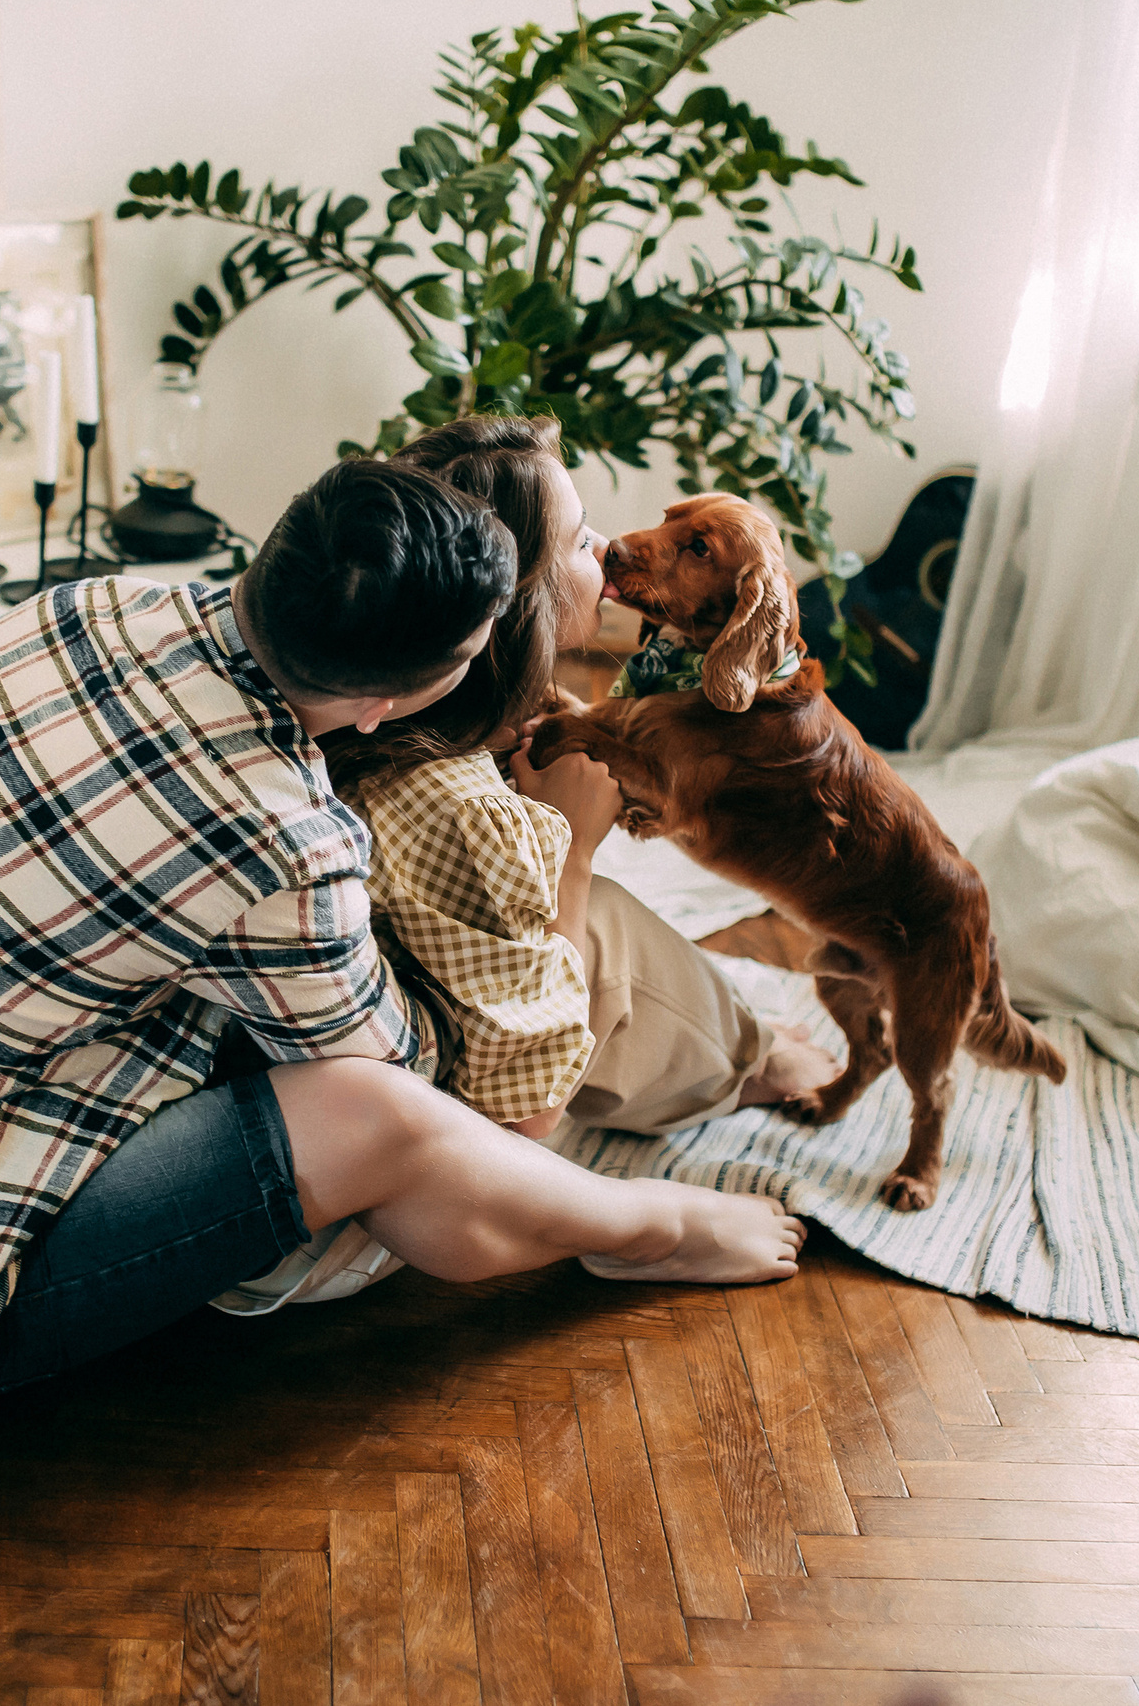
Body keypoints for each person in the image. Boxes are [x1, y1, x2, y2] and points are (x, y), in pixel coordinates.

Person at [0, 456, 804, 1409]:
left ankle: (714, 1082)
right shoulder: (282, 836)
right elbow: (422, 1106)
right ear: (398, 701)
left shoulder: (78, 607)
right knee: (371, 1110)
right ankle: (665, 1223)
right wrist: (569, 858)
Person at [212, 420, 838, 1313]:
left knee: (570, 928)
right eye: (583, 539)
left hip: (289, 1107)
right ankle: (746, 1060)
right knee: (607, 930)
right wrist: (571, 847)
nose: (610, 546)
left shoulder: (331, 663)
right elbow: (524, 1113)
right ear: (511, 609)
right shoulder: (465, 810)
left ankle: (744, 1044)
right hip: (391, 1197)